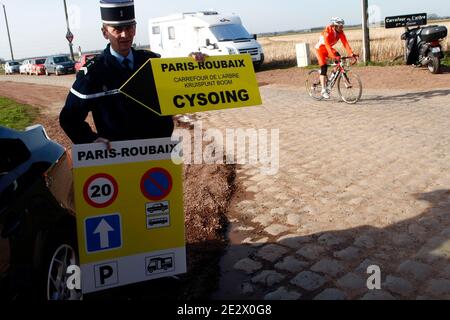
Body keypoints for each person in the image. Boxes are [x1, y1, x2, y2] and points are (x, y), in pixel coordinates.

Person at [60, 0, 204, 146]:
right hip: (118, 158)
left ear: (135, 29)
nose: (125, 34)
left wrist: (194, 65)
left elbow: (183, 91)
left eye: (129, 27)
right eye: (117, 29)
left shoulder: (152, 62)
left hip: (159, 153)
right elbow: (69, 118)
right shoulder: (93, 73)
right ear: (105, 33)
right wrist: (89, 139)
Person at [314, 17, 356, 99]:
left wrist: (351, 53)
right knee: (324, 67)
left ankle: (331, 76)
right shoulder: (327, 31)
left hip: (329, 49)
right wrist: (333, 56)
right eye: (340, 26)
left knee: (340, 60)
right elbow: (327, 45)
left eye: (342, 26)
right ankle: (323, 90)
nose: (342, 28)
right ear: (335, 26)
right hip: (320, 50)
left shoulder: (340, 32)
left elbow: (345, 43)